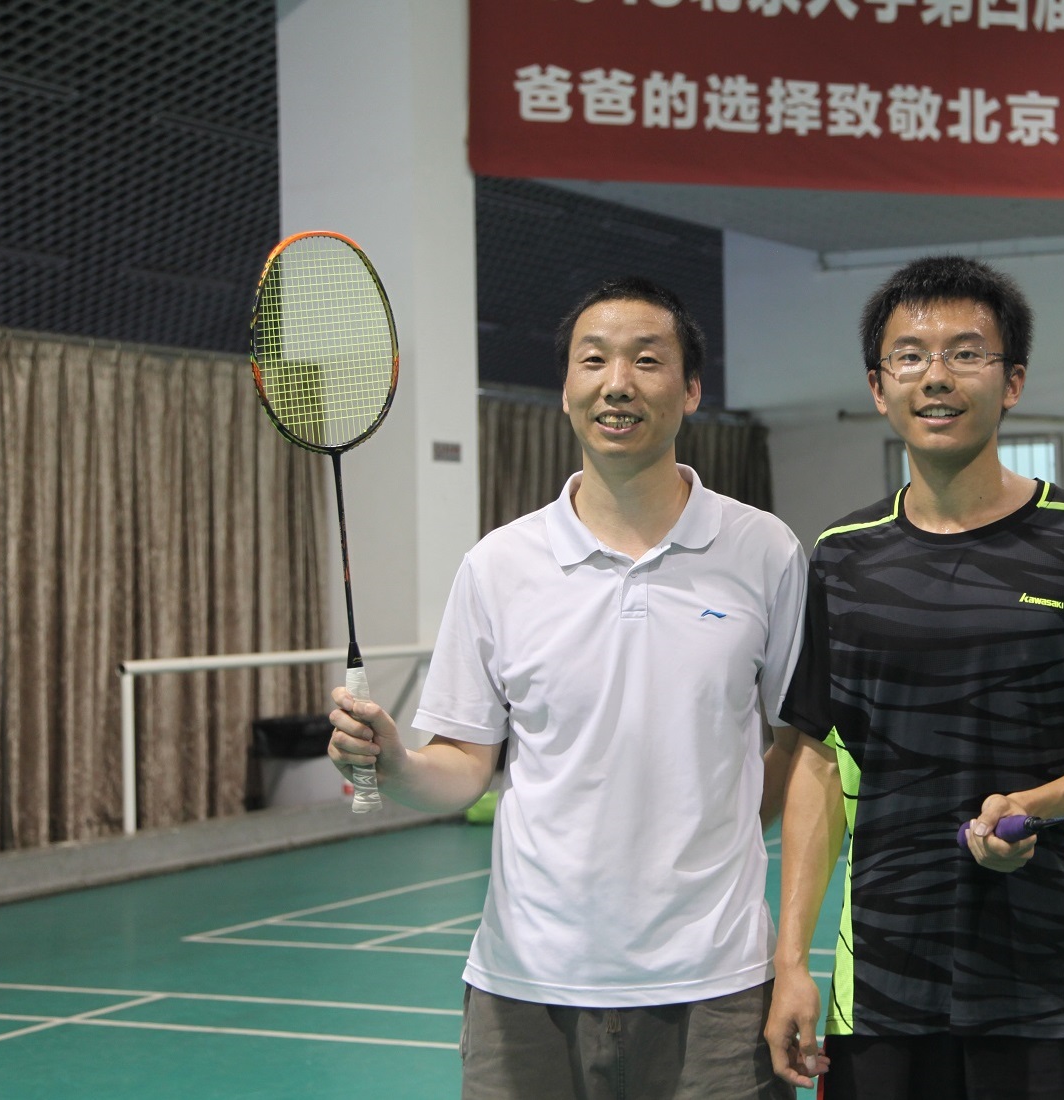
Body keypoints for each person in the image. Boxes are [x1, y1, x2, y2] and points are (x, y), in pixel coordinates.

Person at [327, 277, 804, 1100]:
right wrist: (396, 762)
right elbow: (464, 763)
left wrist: (717, 832)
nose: (617, 383)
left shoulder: (764, 551)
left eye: (647, 361)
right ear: (566, 390)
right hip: (525, 985)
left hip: (717, 983)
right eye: (593, 361)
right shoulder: (498, 565)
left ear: (691, 389)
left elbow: (801, 746)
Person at [765, 256, 1064, 1100]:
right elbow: (819, 759)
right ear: (878, 388)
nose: (936, 377)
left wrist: (1037, 806)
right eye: (909, 356)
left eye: (966, 353)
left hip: (1047, 985)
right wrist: (791, 962)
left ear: (1012, 380)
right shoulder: (842, 557)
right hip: (879, 987)